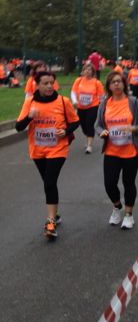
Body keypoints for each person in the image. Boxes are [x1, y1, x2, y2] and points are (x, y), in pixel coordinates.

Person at [15, 71, 79, 239]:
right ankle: (55, 213)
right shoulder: (30, 102)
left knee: (50, 182)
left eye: (52, 82)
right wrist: (29, 117)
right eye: (45, 83)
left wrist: (65, 131)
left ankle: (50, 223)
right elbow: (18, 127)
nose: (50, 86)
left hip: (58, 149)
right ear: (37, 85)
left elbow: (75, 122)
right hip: (37, 150)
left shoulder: (63, 102)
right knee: (48, 183)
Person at [96, 71, 138, 230]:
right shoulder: (105, 104)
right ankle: (117, 207)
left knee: (128, 182)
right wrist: (102, 132)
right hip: (112, 151)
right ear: (109, 86)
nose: (117, 84)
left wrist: (134, 128)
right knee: (109, 183)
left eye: (119, 81)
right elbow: (98, 125)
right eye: (113, 82)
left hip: (131, 151)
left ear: (124, 84)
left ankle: (128, 215)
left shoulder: (133, 102)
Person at [71, 63, 104, 154]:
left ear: (93, 72)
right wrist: (74, 101)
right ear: (83, 71)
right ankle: (89, 135)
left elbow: (101, 97)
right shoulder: (78, 80)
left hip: (93, 106)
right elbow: (73, 92)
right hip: (81, 107)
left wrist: (101, 107)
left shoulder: (97, 82)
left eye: (90, 70)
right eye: (86, 69)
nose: (87, 71)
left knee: (89, 124)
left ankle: (89, 146)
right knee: (83, 125)